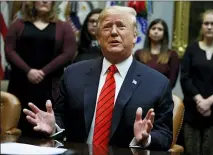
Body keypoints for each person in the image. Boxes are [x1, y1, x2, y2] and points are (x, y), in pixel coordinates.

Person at [23, 6, 173, 150]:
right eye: (107, 27)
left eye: (121, 26)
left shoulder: (157, 84)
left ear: (135, 36)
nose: (113, 32)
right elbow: (62, 118)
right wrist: (53, 128)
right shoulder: (73, 74)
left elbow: (165, 135)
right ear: (99, 37)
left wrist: (146, 139)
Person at [5, 1, 76, 137]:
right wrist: (28, 71)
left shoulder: (63, 26)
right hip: (21, 84)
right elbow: (9, 51)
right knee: (18, 126)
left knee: (45, 127)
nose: (45, 1)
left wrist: (43, 72)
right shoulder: (18, 24)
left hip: (50, 86)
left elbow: (68, 53)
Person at [180, 9, 213, 155]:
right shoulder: (191, 49)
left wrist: (209, 102)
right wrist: (200, 101)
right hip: (192, 111)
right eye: (206, 23)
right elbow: (185, 78)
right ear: (201, 26)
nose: (209, 27)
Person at [134, 19, 180, 88]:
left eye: (160, 29)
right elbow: (134, 77)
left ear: (164, 34)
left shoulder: (172, 55)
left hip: (162, 95)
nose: (156, 31)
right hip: (141, 92)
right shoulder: (139, 54)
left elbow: (172, 81)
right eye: (153, 28)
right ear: (149, 32)